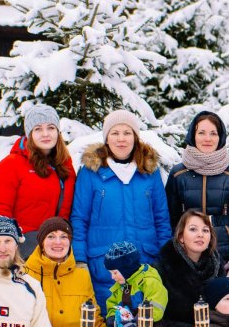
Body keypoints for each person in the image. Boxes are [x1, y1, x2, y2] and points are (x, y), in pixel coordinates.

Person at [71, 109, 172, 309]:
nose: (121, 139)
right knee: (109, 326)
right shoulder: (91, 173)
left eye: (127, 133)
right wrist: (80, 259)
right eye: (115, 133)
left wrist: (164, 258)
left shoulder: (149, 172)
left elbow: (161, 219)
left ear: (135, 137)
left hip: (144, 263)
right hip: (104, 265)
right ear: (106, 138)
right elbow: (79, 219)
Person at [165, 110, 229, 283]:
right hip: (187, 256)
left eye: (213, 133)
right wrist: (175, 255)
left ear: (220, 137)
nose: (207, 138)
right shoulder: (178, 173)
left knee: (224, 308)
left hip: (226, 255)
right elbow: (169, 218)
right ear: (193, 136)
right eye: (202, 133)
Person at [0, 104, 76, 257]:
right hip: (24, 249)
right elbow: (0, 210)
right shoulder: (11, 164)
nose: (45, 134)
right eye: (38, 129)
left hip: (57, 248)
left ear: (57, 131)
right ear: (29, 133)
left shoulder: (65, 164)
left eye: (51, 128)